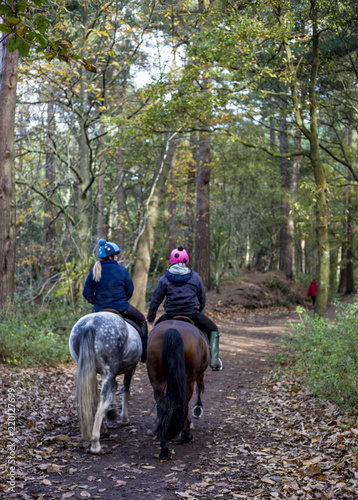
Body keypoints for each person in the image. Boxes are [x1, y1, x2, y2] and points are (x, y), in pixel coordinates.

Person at [147, 246, 223, 371]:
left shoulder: (165, 278)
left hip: (170, 314)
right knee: (213, 329)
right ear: (186, 260)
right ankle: (214, 360)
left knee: (155, 331)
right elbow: (202, 298)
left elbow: (156, 299)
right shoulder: (195, 277)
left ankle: (147, 354)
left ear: (171, 260)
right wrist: (200, 312)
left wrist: (151, 317)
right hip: (192, 313)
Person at [83, 238, 148, 362]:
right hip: (121, 307)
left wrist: (95, 302)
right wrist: (122, 300)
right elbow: (130, 290)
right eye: (116, 255)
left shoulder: (94, 271)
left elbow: (87, 294)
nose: (117, 258)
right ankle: (144, 353)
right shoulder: (122, 270)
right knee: (142, 321)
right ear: (111, 257)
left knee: (85, 328)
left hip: (99, 308)